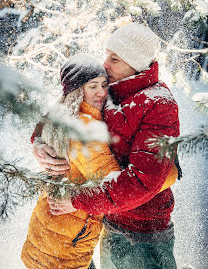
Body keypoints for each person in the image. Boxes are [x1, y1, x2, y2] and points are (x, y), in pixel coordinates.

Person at [31, 23, 180, 269]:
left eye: (114, 59)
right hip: (107, 221)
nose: (106, 64)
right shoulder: (108, 89)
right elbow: (65, 109)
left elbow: (142, 182)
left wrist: (78, 201)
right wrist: (38, 143)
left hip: (142, 232)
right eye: (106, 55)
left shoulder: (158, 104)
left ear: (136, 64)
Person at [21, 53, 121, 269]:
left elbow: (39, 129)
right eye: (92, 86)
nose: (102, 92)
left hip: (49, 232)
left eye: (104, 84)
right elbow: (113, 185)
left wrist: (37, 144)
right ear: (76, 90)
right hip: (68, 240)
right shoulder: (84, 128)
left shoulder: (61, 115)